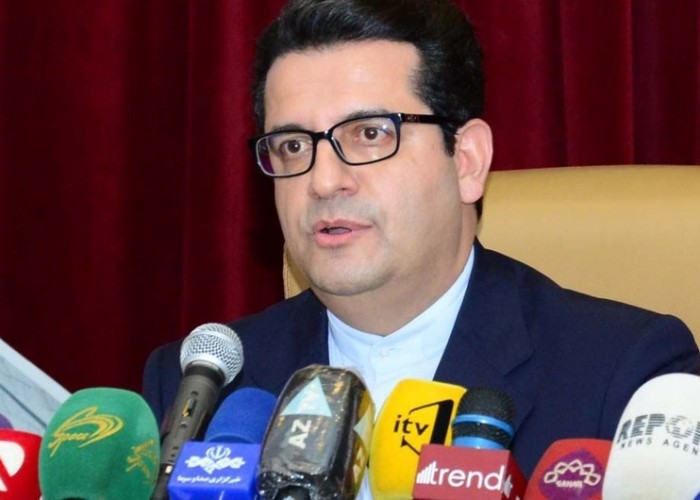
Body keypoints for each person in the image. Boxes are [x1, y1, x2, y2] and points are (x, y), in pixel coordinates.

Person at [143, 0, 700, 485]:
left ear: (467, 161)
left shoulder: (624, 375)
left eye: (369, 134)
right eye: (292, 145)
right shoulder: (202, 390)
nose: (323, 181)